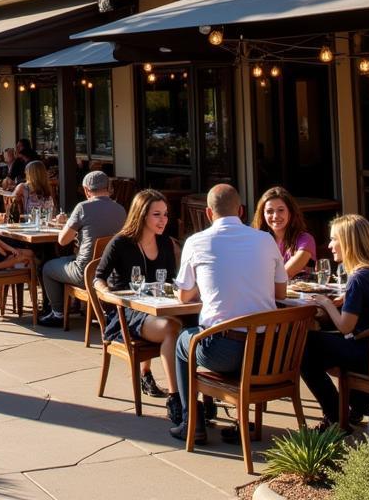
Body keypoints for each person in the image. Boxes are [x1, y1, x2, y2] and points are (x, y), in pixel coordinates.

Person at [171, 184, 288, 443]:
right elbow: (281, 292)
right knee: (199, 336)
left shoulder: (196, 242)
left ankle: (192, 421)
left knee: (183, 340)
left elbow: (183, 296)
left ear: (208, 214)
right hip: (267, 354)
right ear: (242, 210)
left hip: (225, 352)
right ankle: (238, 420)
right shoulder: (266, 239)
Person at [94, 189, 183, 424]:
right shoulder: (121, 242)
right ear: (142, 215)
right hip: (127, 311)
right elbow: (98, 277)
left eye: (165, 214)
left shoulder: (165, 242)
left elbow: (172, 280)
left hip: (157, 305)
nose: (163, 219)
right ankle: (176, 398)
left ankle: (202, 398)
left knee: (195, 325)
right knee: (171, 329)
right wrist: (107, 293)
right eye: (157, 214)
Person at [300, 214, 369, 429]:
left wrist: (325, 303)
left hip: (364, 351)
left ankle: (337, 416)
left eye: (333, 239)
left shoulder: (358, 278)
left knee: (304, 348)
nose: (329, 245)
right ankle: (354, 408)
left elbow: (346, 326)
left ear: (348, 242)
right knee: (317, 343)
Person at [39, 170, 127, 327]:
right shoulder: (121, 210)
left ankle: (58, 313)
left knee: (47, 267)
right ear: (108, 188)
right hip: (111, 274)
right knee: (67, 260)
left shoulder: (83, 208)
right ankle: (81, 307)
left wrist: (68, 224)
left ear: (86, 190)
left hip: (86, 273)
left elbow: (63, 240)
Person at [251, 186, 317, 278]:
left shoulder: (305, 240)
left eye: (281, 210)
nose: (275, 216)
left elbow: (283, 275)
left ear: (290, 212)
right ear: (263, 215)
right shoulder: (256, 241)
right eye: (270, 211)